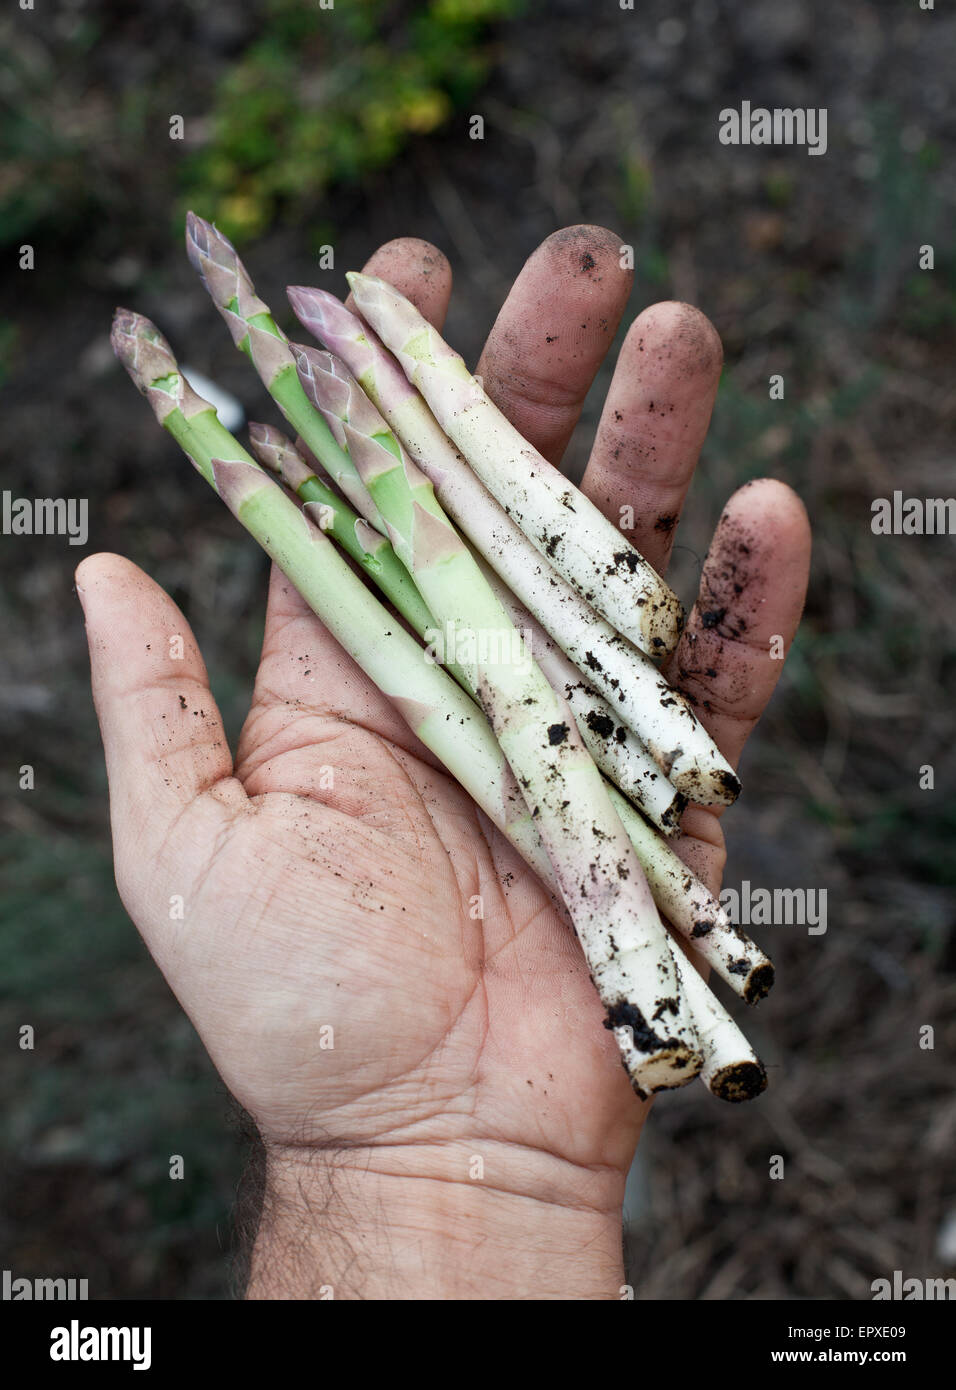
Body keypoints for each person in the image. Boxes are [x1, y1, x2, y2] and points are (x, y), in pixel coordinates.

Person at [76, 226, 811, 1299]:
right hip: (599, 742)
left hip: (607, 711)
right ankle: (688, 996)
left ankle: (689, 979)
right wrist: (394, 1154)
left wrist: (390, 1170)